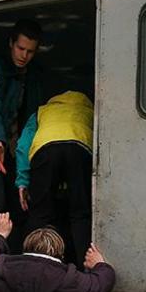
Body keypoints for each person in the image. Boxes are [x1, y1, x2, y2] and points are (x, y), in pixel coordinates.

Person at [0, 19, 46, 247]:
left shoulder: (34, 74)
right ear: (11, 43)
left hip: (18, 149)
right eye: (20, 48)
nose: (24, 55)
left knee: (20, 205)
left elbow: (35, 114)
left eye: (30, 51)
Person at [15, 91, 95, 263]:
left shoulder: (42, 111)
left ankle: (29, 263)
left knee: (39, 213)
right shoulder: (92, 111)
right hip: (79, 148)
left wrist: (23, 181)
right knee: (80, 214)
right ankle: (86, 267)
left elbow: (23, 145)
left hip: (45, 150)